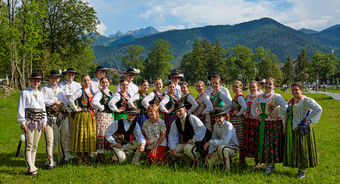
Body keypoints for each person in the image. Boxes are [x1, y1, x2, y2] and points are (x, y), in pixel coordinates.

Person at [283, 82, 322, 179]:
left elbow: (318, 108)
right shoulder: (291, 101)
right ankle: (298, 169)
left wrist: (307, 118)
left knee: (303, 149)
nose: (294, 91)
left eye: (296, 89)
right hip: (293, 128)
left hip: (303, 128)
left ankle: (302, 171)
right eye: (292, 90)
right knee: (297, 149)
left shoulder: (306, 100)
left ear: (301, 90)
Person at [251, 78, 288, 174]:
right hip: (264, 123)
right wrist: (256, 116)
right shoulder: (259, 97)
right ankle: (270, 166)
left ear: (274, 86)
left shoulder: (276, 96)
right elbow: (253, 106)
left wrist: (278, 115)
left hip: (274, 124)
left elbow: (285, 106)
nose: (268, 85)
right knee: (265, 144)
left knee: (272, 144)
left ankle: (270, 166)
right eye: (266, 84)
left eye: (270, 84)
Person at [17, 72, 47, 175]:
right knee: (29, 145)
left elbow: (43, 109)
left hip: (39, 121)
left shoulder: (40, 94)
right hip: (29, 121)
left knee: (35, 145)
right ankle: (30, 167)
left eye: (38, 81)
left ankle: (33, 165)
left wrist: (44, 122)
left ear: (40, 82)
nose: (36, 82)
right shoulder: (25, 92)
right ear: (30, 81)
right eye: (34, 80)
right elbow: (21, 107)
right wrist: (22, 121)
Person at [168, 102, 210, 167]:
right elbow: (172, 136)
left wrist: (194, 140)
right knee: (173, 150)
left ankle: (198, 162)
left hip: (200, 142)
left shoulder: (192, 118)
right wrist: (172, 148)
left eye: (180, 111)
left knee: (187, 148)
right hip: (189, 143)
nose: (178, 113)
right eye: (176, 111)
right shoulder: (175, 122)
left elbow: (201, 130)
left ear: (185, 110)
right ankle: (188, 160)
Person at [68, 74, 96, 164]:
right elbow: (71, 99)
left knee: (88, 135)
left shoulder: (92, 91)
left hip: (90, 116)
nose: (86, 82)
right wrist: (76, 108)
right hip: (81, 115)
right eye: (84, 80)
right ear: (82, 82)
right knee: (80, 134)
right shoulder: (80, 91)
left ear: (90, 81)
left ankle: (86, 156)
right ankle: (79, 156)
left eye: (88, 80)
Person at [41, 70, 67, 169]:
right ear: (49, 79)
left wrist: (60, 105)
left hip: (58, 118)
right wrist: (54, 102)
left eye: (56, 78)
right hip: (47, 117)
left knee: (55, 139)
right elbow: (42, 100)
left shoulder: (61, 90)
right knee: (49, 140)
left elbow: (64, 102)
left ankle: (51, 159)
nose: (54, 80)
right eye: (52, 78)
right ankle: (49, 161)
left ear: (59, 79)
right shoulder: (44, 89)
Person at [58, 67, 81, 162]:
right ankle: (65, 153)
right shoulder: (60, 85)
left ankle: (69, 152)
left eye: (72, 74)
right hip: (64, 110)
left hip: (74, 111)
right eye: (68, 74)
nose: (70, 76)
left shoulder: (78, 85)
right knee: (65, 133)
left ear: (74, 75)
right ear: (65, 75)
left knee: (72, 132)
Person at [90, 77, 114, 162]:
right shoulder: (99, 93)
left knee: (107, 134)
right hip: (103, 115)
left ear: (109, 83)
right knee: (101, 133)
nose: (105, 84)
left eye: (106, 82)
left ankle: (105, 153)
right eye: (103, 82)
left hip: (109, 116)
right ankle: (100, 155)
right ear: (100, 84)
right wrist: (101, 107)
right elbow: (93, 102)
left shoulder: (111, 93)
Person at [229, 80, 247, 164]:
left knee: (240, 138)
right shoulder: (236, 96)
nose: (235, 88)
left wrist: (238, 114)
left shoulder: (240, 97)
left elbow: (244, 107)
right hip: (235, 120)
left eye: (237, 87)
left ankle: (242, 159)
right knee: (236, 137)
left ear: (241, 88)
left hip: (238, 121)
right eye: (234, 87)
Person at [244, 80, 261, 167]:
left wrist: (256, 114)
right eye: (250, 87)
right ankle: (246, 158)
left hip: (256, 120)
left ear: (257, 87)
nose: (252, 89)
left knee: (256, 140)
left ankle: (258, 161)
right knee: (248, 139)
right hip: (248, 120)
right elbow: (246, 107)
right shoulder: (247, 96)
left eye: (254, 87)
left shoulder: (260, 96)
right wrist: (246, 113)